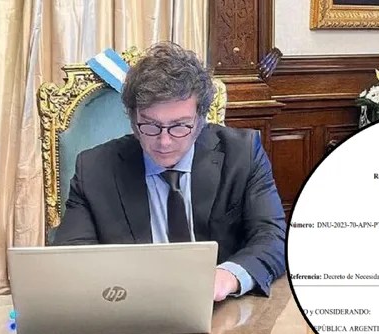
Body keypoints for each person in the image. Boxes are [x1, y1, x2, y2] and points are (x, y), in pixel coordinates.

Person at [52, 41, 286, 301]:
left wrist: (227, 276)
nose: (164, 142)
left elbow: (272, 237)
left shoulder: (242, 154)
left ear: (200, 120)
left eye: (179, 126)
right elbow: (72, 256)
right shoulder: (94, 169)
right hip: (131, 308)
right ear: (133, 120)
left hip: (221, 308)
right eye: (150, 126)